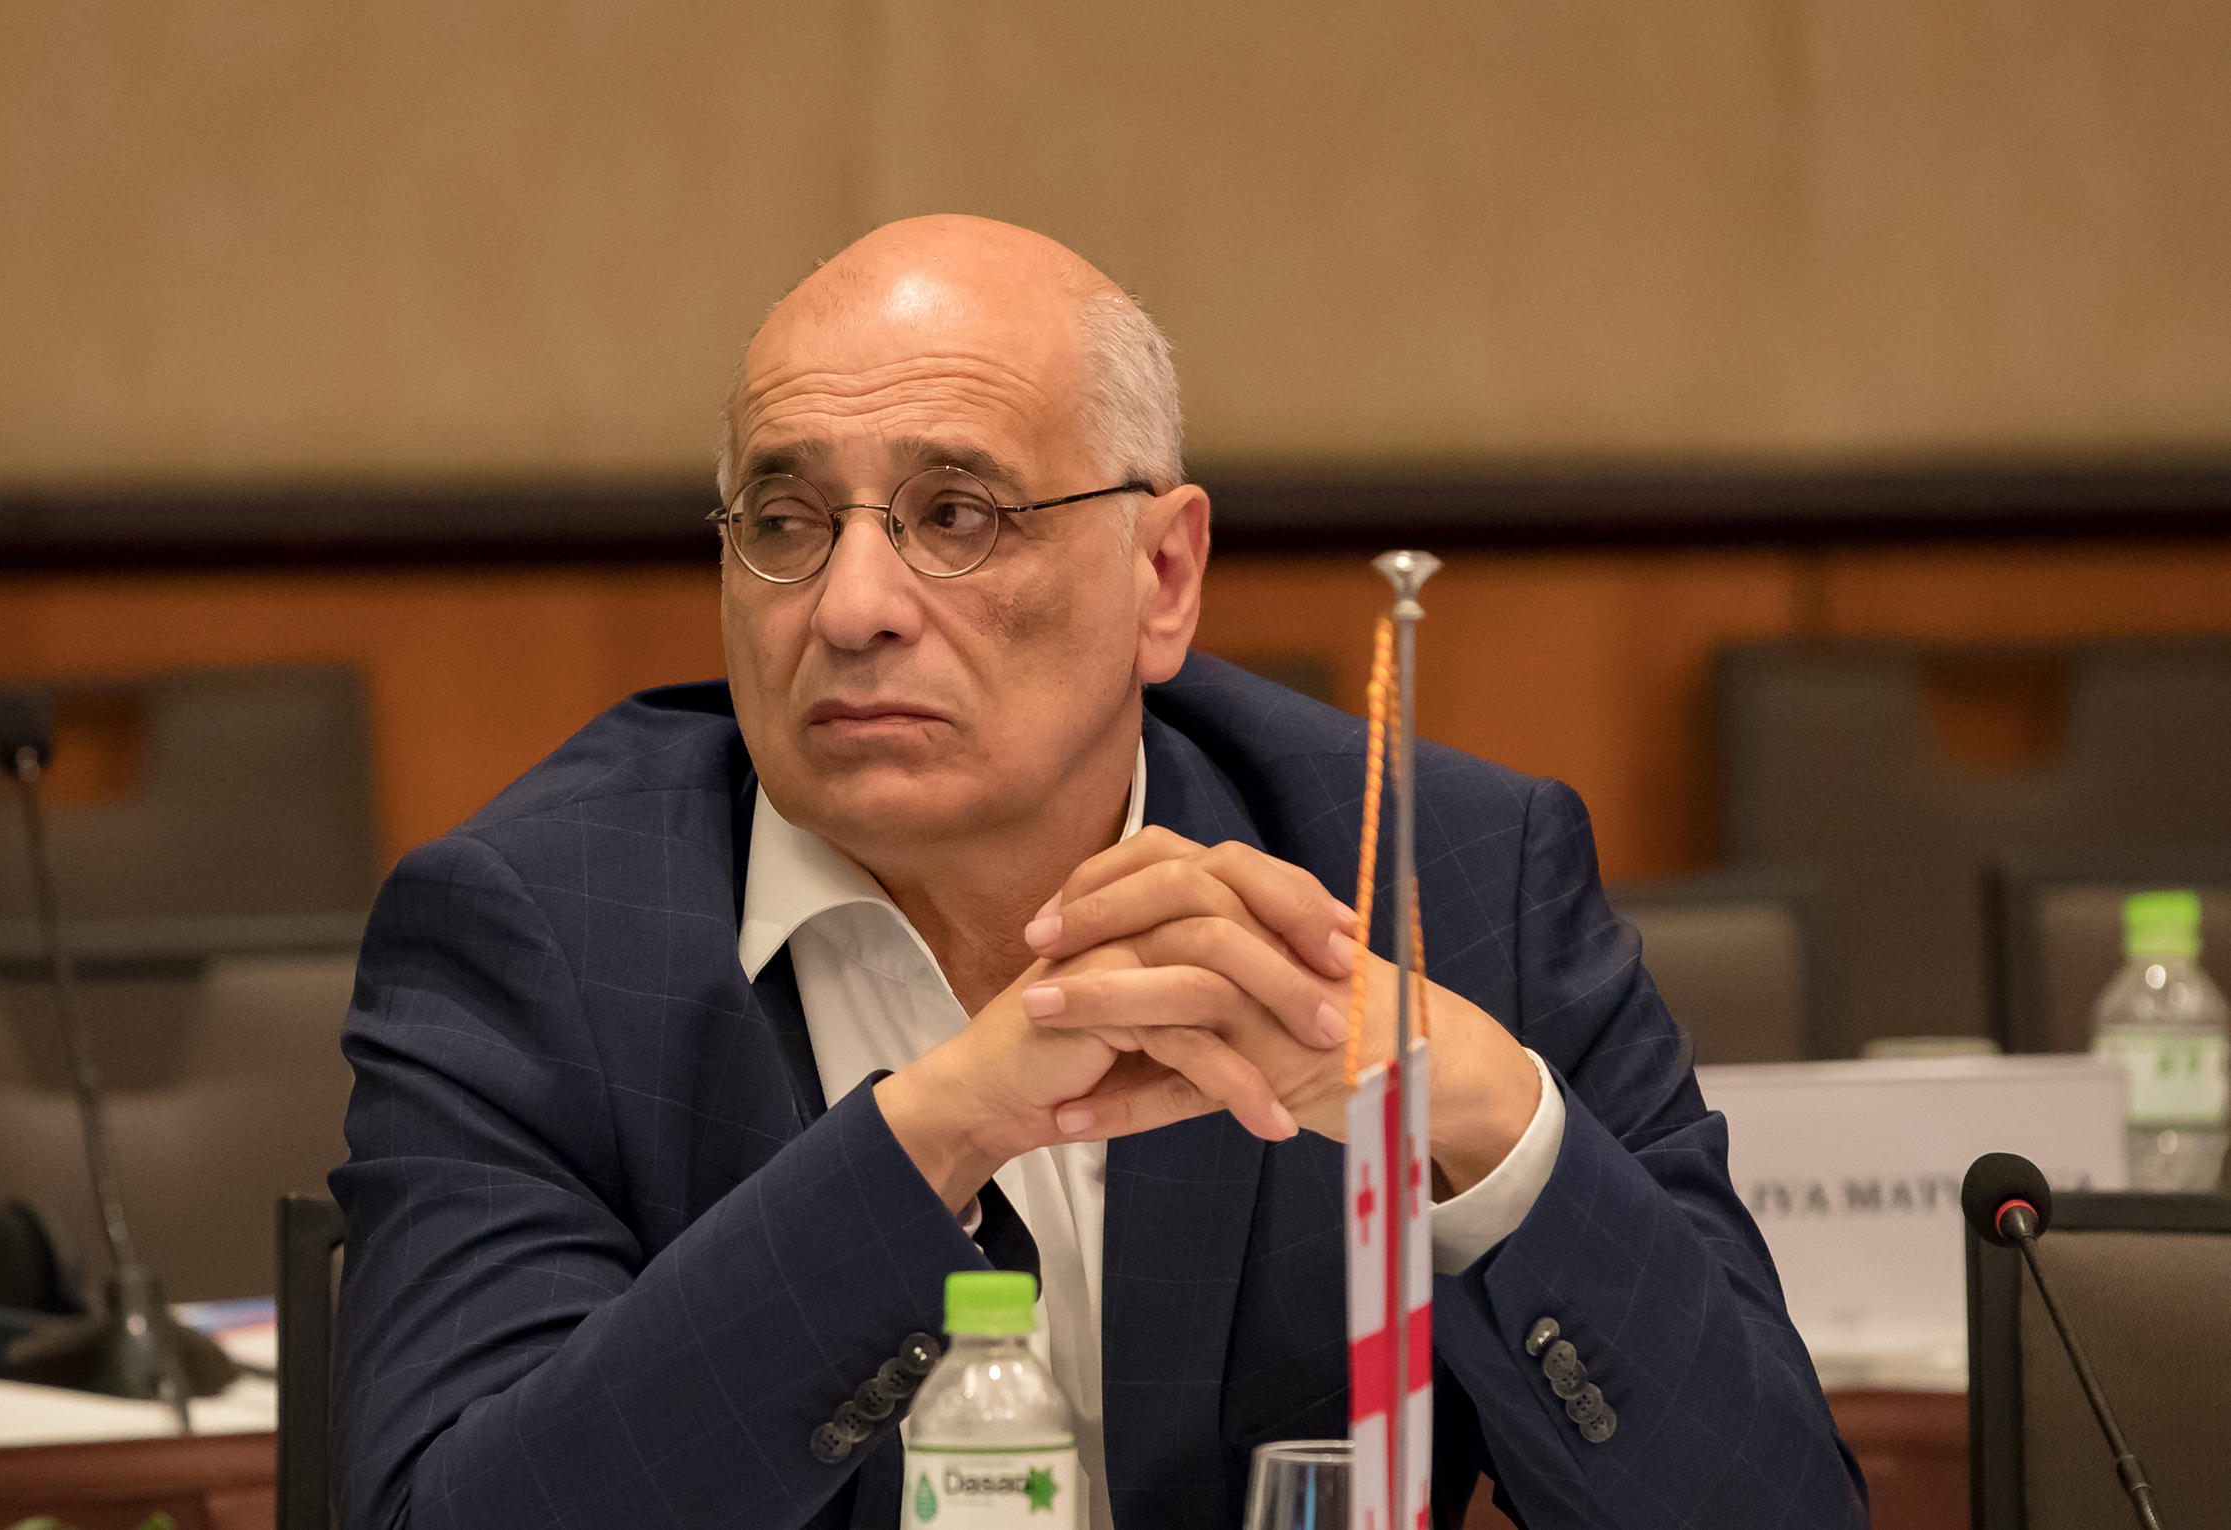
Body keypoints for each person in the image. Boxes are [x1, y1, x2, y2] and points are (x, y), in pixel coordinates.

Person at [332, 215, 1865, 1530]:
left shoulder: (1441, 878)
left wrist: (1479, 1122)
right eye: (784, 522)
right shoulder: (538, 936)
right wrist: (937, 1132)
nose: (851, 604)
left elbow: (1777, 1506)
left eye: (954, 514)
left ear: (1163, 574)